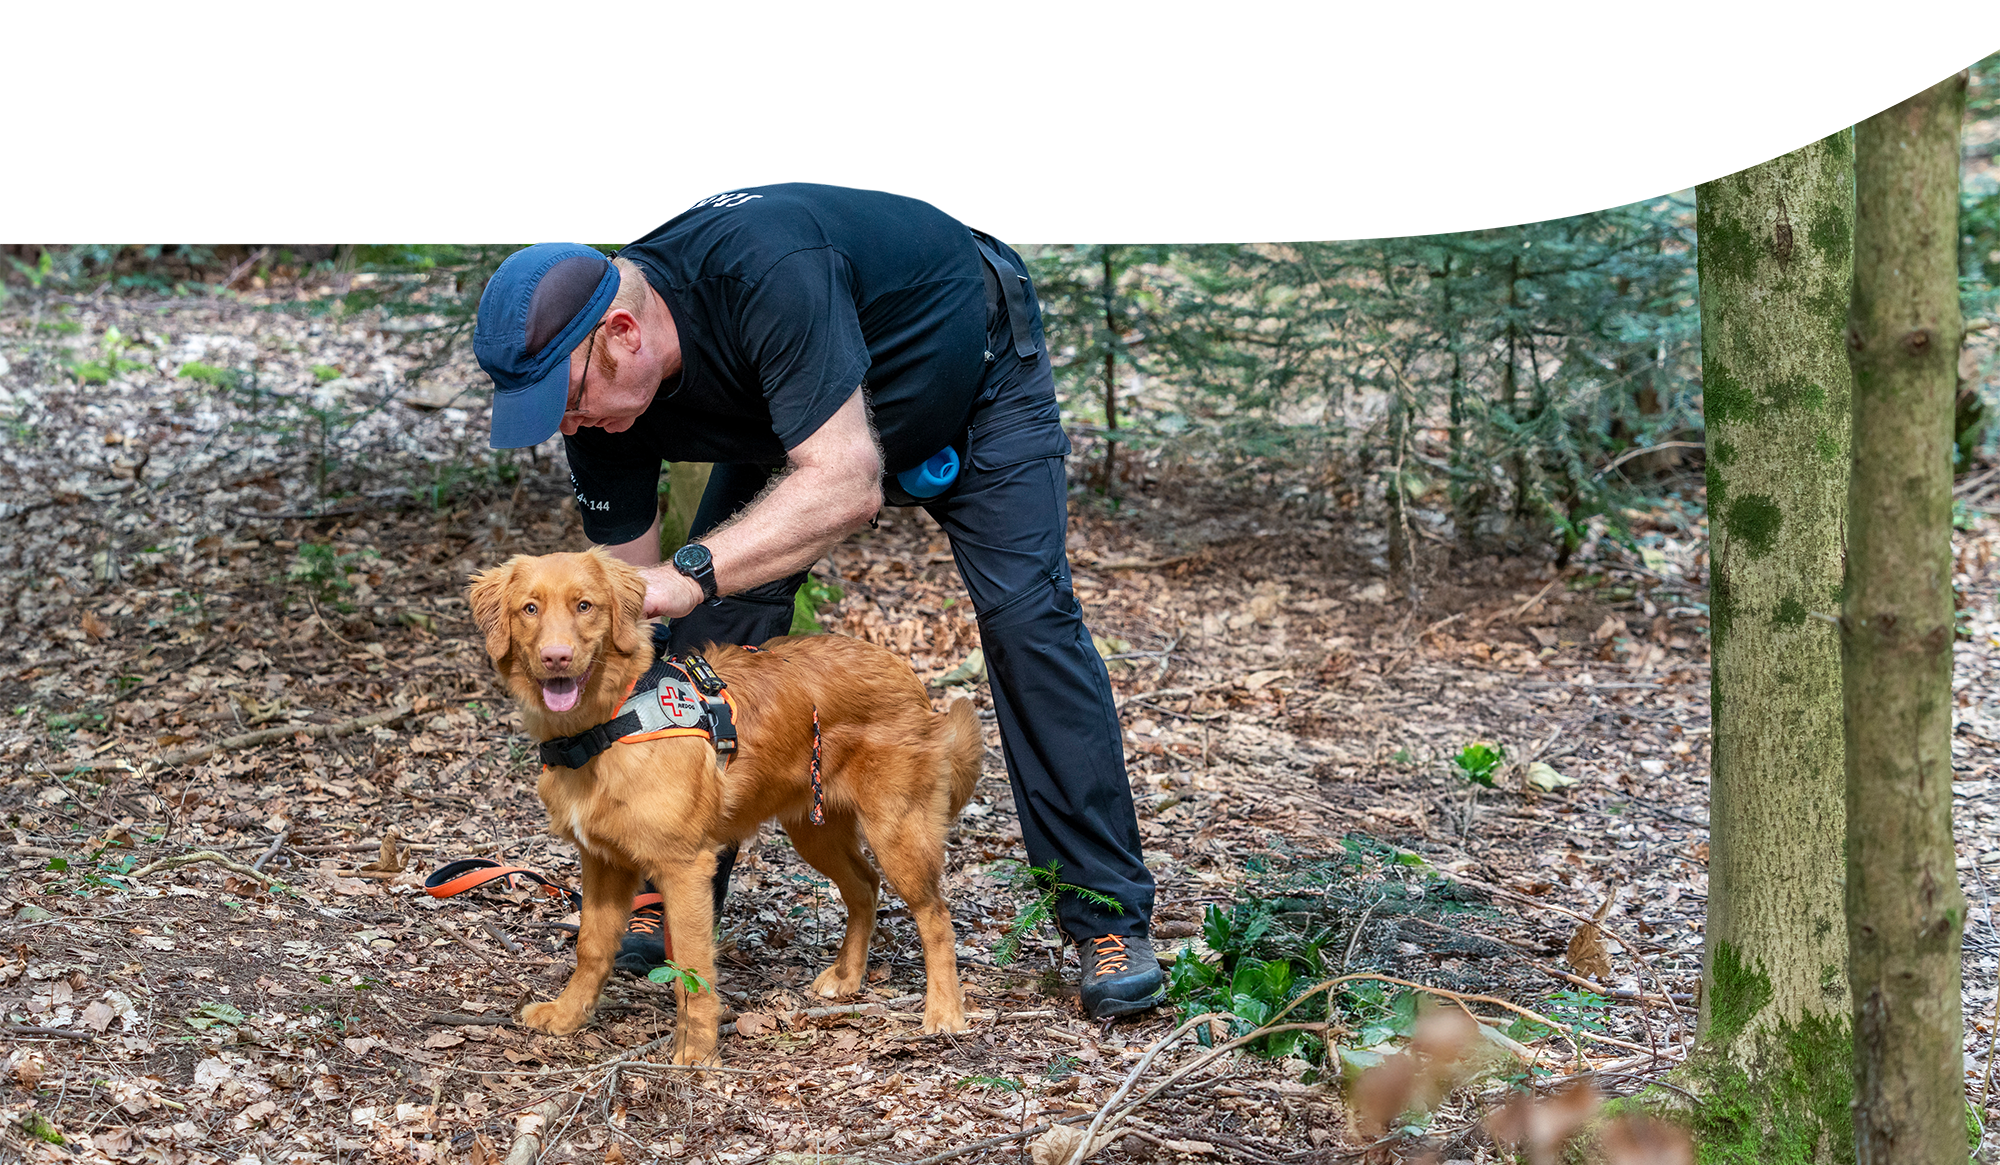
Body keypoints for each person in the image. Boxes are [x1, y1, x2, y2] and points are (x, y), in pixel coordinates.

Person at [471, 184, 1163, 1019]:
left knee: (1028, 622)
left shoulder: (768, 273)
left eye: (570, 400)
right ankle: (671, 879)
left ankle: (1107, 918)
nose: (568, 426)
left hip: (968, 380)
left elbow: (844, 482)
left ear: (623, 334)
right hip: (790, 424)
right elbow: (631, 634)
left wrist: (691, 568)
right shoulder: (605, 412)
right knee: (710, 633)